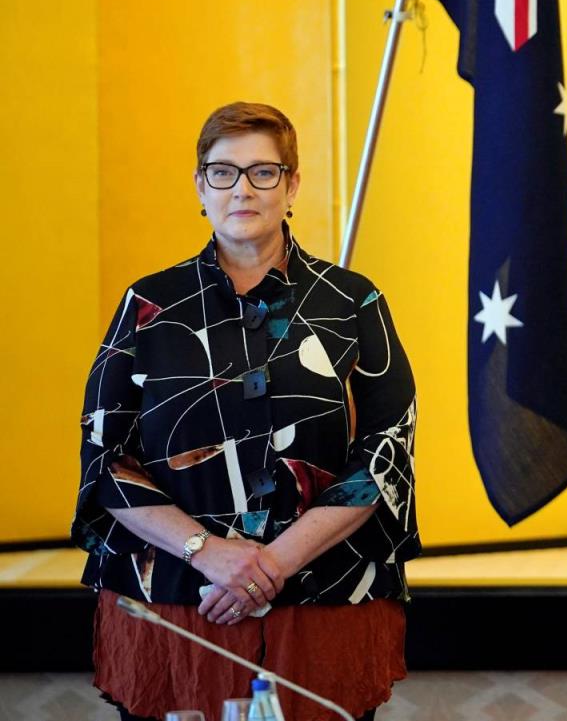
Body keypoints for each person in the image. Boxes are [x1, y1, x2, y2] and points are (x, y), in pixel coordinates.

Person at [73, 102, 419, 721]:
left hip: (323, 598)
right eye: (223, 172)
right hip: (177, 598)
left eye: (264, 172)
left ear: (292, 185)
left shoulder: (352, 301)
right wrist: (210, 552)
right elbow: (105, 457)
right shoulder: (148, 305)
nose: (243, 189)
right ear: (201, 186)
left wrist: (274, 563)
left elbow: (386, 455)